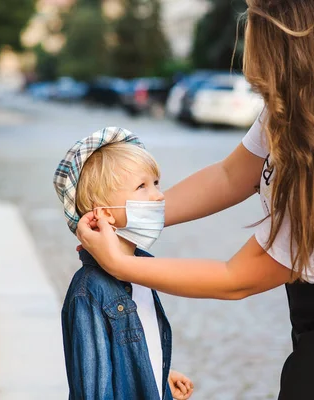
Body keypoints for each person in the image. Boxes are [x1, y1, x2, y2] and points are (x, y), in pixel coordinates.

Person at [76, 1, 314, 399]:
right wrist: (132, 215)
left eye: (263, 76)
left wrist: (120, 264)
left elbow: (235, 279)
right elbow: (229, 176)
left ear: (295, 61)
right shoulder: (296, 108)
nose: (258, 86)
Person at [53, 128, 194, 400]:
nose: (159, 196)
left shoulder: (141, 271)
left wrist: (157, 377)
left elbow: (132, 349)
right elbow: (93, 389)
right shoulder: (90, 291)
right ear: (105, 212)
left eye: (156, 183)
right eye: (143, 186)